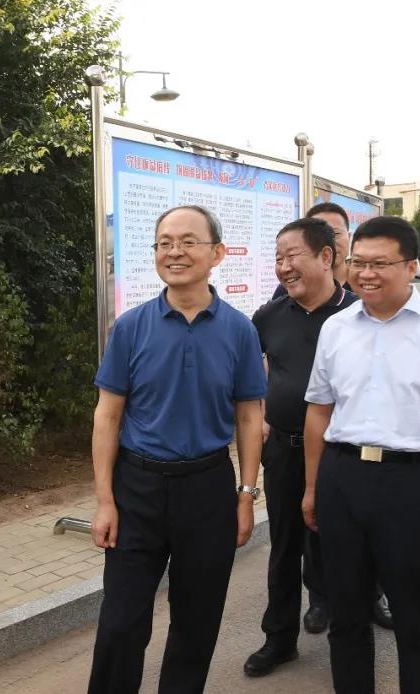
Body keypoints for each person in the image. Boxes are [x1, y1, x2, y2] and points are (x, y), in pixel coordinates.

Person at [87, 204, 266, 694]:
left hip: (207, 489)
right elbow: (107, 416)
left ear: (217, 253)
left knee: (196, 620)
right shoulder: (131, 327)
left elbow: (250, 418)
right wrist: (105, 500)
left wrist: (246, 494)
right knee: (121, 621)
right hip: (137, 489)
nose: (175, 252)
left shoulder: (239, 331)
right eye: (165, 243)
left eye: (188, 241)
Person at [302, 215, 420, 693]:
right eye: (357, 262)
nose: (366, 274)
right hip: (342, 477)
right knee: (346, 612)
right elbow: (319, 411)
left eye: (380, 263)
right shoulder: (336, 328)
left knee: (414, 612)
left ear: (411, 266)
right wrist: (312, 487)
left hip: (411, 482)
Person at [244, 217, 359, 677]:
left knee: (343, 547)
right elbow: (250, 375)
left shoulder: (358, 315)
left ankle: (348, 643)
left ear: (326, 257)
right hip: (284, 451)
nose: (283, 266)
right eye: (278, 258)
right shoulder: (269, 317)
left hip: (342, 454)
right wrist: (261, 414)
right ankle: (279, 639)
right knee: (284, 546)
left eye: (292, 256)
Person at [272, 201, 352, 299]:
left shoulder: (362, 285)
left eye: (335, 234)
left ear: (349, 237)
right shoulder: (288, 288)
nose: (328, 242)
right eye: (318, 236)